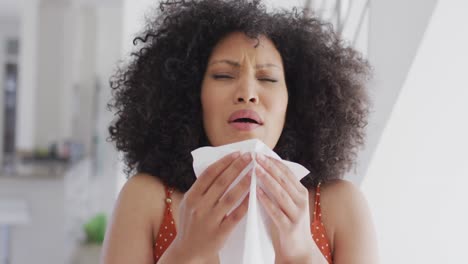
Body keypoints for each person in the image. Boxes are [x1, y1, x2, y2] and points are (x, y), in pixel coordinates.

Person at [101, 0, 378, 263]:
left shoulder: (340, 207)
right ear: (190, 94)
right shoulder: (146, 199)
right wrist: (187, 252)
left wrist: (302, 255)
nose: (247, 94)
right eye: (223, 76)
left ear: (295, 100)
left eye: (267, 78)